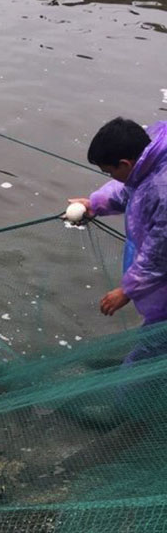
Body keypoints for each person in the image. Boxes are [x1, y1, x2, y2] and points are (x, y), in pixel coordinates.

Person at [68, 117, 167, 360]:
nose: (111, 177)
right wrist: (95, 205)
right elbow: (132, 189)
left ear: (125, 163)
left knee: (151, 351)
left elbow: (160, 254)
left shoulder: (162, 191)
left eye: (110, 172)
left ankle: (133, 391)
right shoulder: (151, 161)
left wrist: (126, 290)